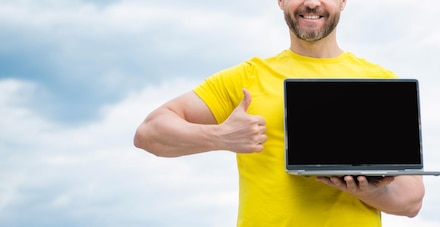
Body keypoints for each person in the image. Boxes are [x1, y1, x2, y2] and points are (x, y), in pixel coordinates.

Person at [134, 0, 425, 226]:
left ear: (343, 0)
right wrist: (219, 136)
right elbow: (148, 134)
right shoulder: (247, 77)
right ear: (281, 0)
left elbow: (412, 201)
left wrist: (365, 190)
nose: (312, 3)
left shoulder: (381, 83)